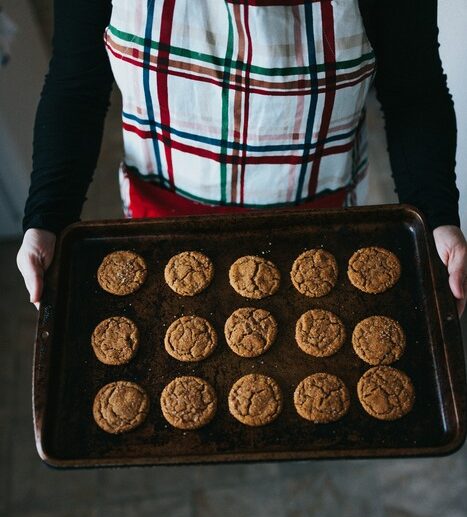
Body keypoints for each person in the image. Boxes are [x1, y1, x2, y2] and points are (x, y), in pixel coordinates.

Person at [17, 0, 467, 316]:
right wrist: (48, 218)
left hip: (320, 222)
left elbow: (414, 89)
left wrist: (436, 215)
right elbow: (77, 84)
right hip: (163, 219)